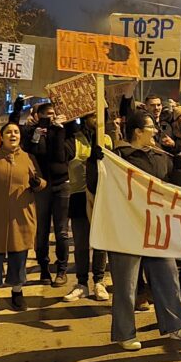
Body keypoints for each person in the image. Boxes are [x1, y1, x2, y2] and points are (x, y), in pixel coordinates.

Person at [88, 111, 181, 350]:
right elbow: (95, 186)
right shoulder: (118, 157)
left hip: (157, 229)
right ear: (138, 131)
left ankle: (176, 326)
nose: (156, 132)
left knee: (168, 278)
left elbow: (177, 189)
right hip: (127, 230)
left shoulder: (161, 157)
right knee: (126, 285)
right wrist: (94, 162)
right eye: (151, 128)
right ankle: (125, 333)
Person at [0, 122, 47, 315]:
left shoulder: (28, 158)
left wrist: (38, 182)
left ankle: (17, 291)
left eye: (16, 132)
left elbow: (41, 183)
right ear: (2, 136)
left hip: (20, 215)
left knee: (18, 255)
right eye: (8, 132)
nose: (13, 135)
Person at [11, 99, 76, 287]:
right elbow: (31, 151)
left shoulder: (65, 131)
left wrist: (59, 129)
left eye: (53, 115)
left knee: (62, 231)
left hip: (61, 184)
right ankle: (44, 268)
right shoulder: (32, 133)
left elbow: (61, 156)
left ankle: (61, 270)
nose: (50, 118)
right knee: (41, 231)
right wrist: (35, 134)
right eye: (46, 115)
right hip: (41, 187)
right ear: (37, 117)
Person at [62, 114, 112, 303]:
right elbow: (61, 155)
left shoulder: (107, 138)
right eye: (91, 115)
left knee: (100, 242)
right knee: (81, 243)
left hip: (101, 196)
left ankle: (99, 281)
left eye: (97, 114)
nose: (95, 118)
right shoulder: (73, 139)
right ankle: (81, 283)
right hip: (79, 196)